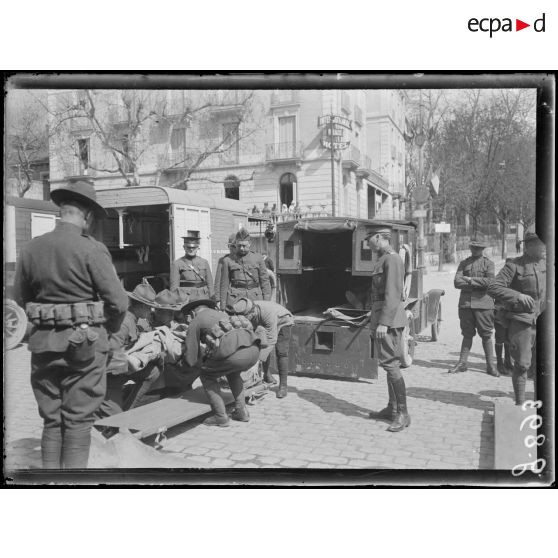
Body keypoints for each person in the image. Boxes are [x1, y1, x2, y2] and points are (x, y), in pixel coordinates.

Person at [14, 179, 128, 468]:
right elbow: (119, 302)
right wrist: (109, 332)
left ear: (61, 211)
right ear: (87, 215)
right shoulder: (92, 249)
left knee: (52, 421)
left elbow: (18, 301)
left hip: (43, 347)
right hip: (84, 349)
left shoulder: (31, 249)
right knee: (77, 423)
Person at [182, 299, 264, 426]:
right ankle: (241, 411)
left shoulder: (196, 320)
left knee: (206, 375)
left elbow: (191, 351)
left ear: (192, 313)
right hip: (253, 349)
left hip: (235, 354)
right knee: (233, 372)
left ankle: (220, 416)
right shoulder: (222, 314)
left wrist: (190, 364)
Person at [488, 227, 546, 405]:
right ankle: (520, 404)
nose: (545, 247)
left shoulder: (547, 264)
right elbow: (493, 287)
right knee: (522, 365)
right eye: (540, 243)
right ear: (528, 245)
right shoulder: (513, 265)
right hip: (522, 323)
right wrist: (517, 296)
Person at [365, 227, 411, 433]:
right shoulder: (383, 258)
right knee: (388, 364)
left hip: (390, 320)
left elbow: (393, 293)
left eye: (369, 239)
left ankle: (403, 413)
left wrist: (383, 322)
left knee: (391, 365)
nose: (367, 243)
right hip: (383, 317)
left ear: (379, 237)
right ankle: (392, 408)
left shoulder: (391, 259)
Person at [95, 283, 162, 421]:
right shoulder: (124, 322)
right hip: (107, 374)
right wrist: (132, 364)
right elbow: (108, 352)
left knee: (153, 371)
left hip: (117, 368)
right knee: (115, 422)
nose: (151, 311)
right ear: (142, 306)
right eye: (150, 308)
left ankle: (126, 410)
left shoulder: (132, 318)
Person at [448, 236, 498, 376]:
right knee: (467, 334)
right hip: (466, 305)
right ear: (470, 248)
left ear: (483, 249)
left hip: (484, 305)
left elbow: (490, 282)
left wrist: (470, 280)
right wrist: (478, 284)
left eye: (479, 247)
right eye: (473, 247)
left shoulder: (489, 264)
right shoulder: (464, 263)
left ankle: (490, 366)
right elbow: (457, 282)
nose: (475, 249)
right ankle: (462, 363)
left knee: (487, 335)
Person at [228, 297, 294, 398]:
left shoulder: (267, 314)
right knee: (260, 345)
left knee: (281, 352)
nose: (244, 319)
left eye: (246, 317)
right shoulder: (247, 311)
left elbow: (271, 341)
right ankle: (267, 376)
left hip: (283, 321)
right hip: (264, 322)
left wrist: (256, 362)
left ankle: (283, 386)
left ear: (252, 312)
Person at [218, 228, 271, 310]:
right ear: (235, 244)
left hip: (255, 298)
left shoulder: (258, 258)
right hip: (235, 300)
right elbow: (224, 286)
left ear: (249, 244)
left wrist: (266, 304)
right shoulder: (227, 260)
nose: (242, 248)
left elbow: (265, 282)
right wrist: (222, 307)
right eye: (239, 246)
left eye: (244, 246)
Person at [169, 232, 214, 302]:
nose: (191, 249)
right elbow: (174, 288)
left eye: (194, 247)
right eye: (189, 247)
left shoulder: (204, 262)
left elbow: (210, 284)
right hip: (186, 299)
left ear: (198, 248)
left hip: (203, 297)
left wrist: (212, 298)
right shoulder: (177, 264)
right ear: (184, 247)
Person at [214, 233, 237, 309]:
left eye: (237, 246)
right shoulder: (223, 260)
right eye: (233, 246)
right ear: (228, 246)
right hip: (228, 297)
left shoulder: (244, 260)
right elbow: (218, 281)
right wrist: (218, 299)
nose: (235, 249)